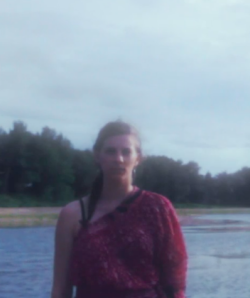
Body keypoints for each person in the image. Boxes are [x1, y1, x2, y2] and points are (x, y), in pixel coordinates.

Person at [51, 121, 187, 298]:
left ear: (138, 158)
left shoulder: (157, 208)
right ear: (97, 156)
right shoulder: (73, 214)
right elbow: (61, 290)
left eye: (126, 152)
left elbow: (175, 281)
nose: (118, 159)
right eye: (110, 151)